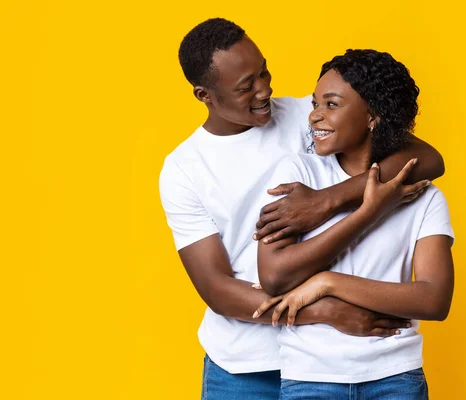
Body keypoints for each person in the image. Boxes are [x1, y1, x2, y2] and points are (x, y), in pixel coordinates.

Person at [159, 18, 445, 400]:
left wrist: (327, 200)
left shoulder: (306, 117)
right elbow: (216, 287)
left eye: (263, 72)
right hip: (243, 366)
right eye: (246, 86)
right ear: (204, 95)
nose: (264, 90)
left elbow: (427, 159)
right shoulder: (184, 169)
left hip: (328, 360)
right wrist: (324, 309)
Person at [254, 49, 454, 399]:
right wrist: (367, 211)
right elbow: (274, 277)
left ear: (373, 116)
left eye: (331, 104)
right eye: (315, 104)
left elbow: (434, 299)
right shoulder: (299, 175)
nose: (314, 116)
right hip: (310, 377)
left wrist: (328, 282)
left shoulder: (424, 195)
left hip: (395, 377)